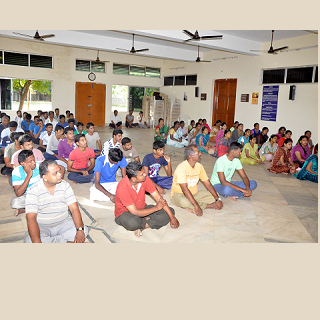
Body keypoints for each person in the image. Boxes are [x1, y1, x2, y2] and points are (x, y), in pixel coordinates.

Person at [24, 160, 88, 243]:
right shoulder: (34, 190)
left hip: (63, 224)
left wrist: (80, 230)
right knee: (30, 241)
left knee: (84, 230)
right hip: (42, 226)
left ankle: (53, 242)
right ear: (45, 177)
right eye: (55, 173)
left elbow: (74, 209)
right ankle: (66, 242)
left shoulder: (65, 185)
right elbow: (31, 217)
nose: (60, 174)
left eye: (59, 171)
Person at [114, 161, 179, 237]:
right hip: (125, 213)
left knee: (170, 211)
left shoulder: (144, 179)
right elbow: (135, 212)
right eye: (142, 174)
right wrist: (156, 208)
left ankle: (143, 226)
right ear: (134, 179)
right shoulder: (122, 187)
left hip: (141, 207)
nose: (145, 174)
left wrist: (172, 217)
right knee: (132, 223)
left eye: (144, 172)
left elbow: (158, 198)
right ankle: (145, 220)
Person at [171, 145, 223, 216]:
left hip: (194, 194)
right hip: (179, 195)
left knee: (215, 195)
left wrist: (217, 199)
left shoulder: (199, 166)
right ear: (191, 156)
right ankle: (207, 205)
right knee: (183, 201)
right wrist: (197, 206)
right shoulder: (181, 168)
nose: (200, 154)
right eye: (198, 153)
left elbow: (207, 183)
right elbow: (184, 189)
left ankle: (191, 204)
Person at [11, 150, 41, 216]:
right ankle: (40, 207)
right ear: (22, 163)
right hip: (28, 195)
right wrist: (29, 175)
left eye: (34, 160)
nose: (34, 163)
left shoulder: (39, 166)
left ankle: (25, 210)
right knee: (15, 202)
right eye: (30, 162)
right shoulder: (16, 171)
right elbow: (18, 193)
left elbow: (60, 168)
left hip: (41, 192)